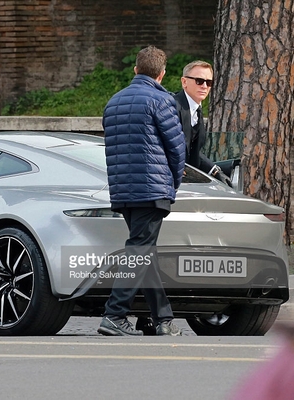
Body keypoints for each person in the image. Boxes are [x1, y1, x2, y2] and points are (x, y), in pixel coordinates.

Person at [98, 46, 185, 337]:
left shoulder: (114, 102)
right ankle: (114, 315)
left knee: (144, 252)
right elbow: (176, 148)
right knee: (139, 252)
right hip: (151, 189)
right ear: (162, 74)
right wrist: (173, 184)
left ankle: (163, 320)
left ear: (135, 70)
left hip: (123, 190)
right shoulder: (162, 100)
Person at [173, 60, 232, 186]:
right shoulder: (173, 107)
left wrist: (215, 171)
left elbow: (192, 151)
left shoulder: (196, 110)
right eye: (199, 81)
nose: (204, 86)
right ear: (184, 82)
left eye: (209, 82)